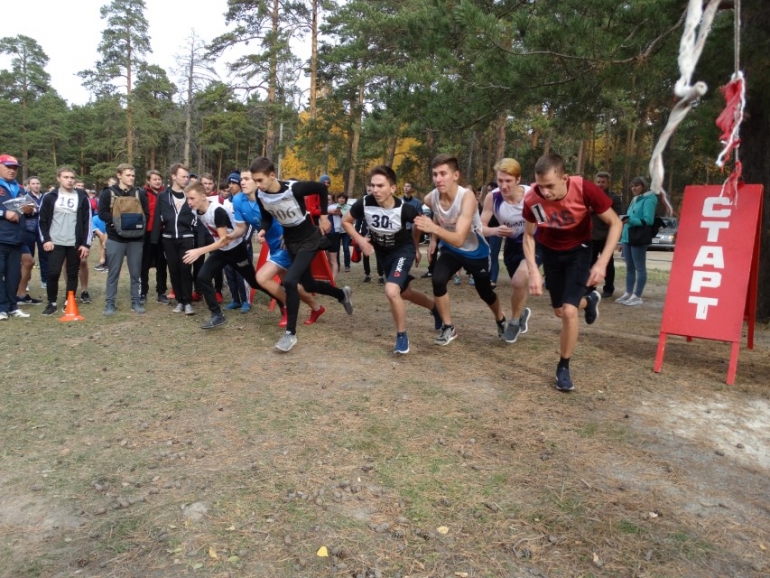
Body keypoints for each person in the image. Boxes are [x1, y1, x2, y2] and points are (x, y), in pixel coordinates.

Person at [522, 154, 622, 392]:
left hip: (580, 250)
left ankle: (563, 367)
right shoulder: (533, 199)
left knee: (568, 311)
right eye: (540, 185)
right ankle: (589, 302)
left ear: (564, 178)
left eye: (550, 186)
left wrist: (601, 263)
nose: (544, 192)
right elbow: (528, 234)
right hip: (550, 252)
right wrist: (534, 270)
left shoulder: (585, 189)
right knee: (559, 310)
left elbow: (616, 223)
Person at [250, 156, 353, 352]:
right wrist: (263, 229)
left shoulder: (293, 188)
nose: (258, 185)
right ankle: (342, 294)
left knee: (289, 281)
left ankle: (290, 334)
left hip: (309, 239)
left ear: (272, 175)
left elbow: (322, 189)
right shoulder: (261, 195)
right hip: (290, 241)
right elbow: (266, 217)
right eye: (255, 181)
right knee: (309, 284)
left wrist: (323, 217)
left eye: (260, 180)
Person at [343, 165, 440, 354]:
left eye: (380, 186)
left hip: (402, 252)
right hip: (383, 254)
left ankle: (402, 336)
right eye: (372, 186)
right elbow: (346, 221)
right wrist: (361, 239)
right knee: (403, 293)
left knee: (391, 290)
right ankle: (434, 308)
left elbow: (420, 224)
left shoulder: (405, 209)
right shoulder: (364, 203)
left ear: (393, 188)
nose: (375, 190)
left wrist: (415, 245)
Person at [414, 154, 506, 345]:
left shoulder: (467, 197)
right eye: (435, 174)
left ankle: (501, 319)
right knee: (438, 280)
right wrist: (433, 240)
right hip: (451, 249)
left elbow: (459, 238)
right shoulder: (431, 198)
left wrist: (433, 229)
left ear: (456, 175)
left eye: (443, 174)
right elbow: (438, 217)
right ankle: (448, 327)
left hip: (475, 251)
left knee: (485, 293)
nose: (438, 179)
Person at [225, 169, 324, 326]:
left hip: (287, 244)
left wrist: (288, 234)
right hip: (273, 246)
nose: (241, 182)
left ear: (258, 181)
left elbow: (291, 215)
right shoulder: (237, 201)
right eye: (241, 179)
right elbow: (241, 228)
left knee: (262, 278)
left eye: (246, 179)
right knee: (292, 285)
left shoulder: (270, 197)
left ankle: (287, 307)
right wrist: (229, 236)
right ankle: (316, 307)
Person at [182, 182, 263, 329]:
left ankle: (283, 302)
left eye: (192, 198)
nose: (189, 202)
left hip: (236, 248)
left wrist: (199, 250)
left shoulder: (217, 211)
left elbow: (223, 241)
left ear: (202, 196)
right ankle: (217, 315)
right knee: (202, 277)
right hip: (222, 251)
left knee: (255, 282)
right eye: (187, 199)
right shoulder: (196, 210)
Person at [480, 159, 540, 344]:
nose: (504, 186)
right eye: (500, 181)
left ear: (518, 179)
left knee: (517, 281)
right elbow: (480, 226)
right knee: (518, 286)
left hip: (535, 242)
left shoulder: (532, 195)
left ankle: (513, 323)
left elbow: (544, 222)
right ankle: (521, 313)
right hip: (512, 245)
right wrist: (494, 231)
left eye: (508, 181)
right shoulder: (493, 197)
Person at [38, 167, 92, 316]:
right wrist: (46, 240)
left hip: (74, 242)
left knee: (72, 273)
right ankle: (52, 302)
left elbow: (87, 222)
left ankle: (70, 300)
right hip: (55, 241)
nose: (69, 180)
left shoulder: (82, 197)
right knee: (53, 272)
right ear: (58, 178)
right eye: (66, 177)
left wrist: (86, 244)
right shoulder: (50, 197)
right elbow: (41, 221)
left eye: (72, 177)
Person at [98, 163, 149, 315]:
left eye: (133, 175)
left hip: (136, 239)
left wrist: (139, 228)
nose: (131, 178)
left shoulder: (140, 193)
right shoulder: (108, 193)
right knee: (113, 272)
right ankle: (109, 303)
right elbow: (102, 213)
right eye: (128, 175)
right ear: (119, 175)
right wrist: (116, 222)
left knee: (135, 273)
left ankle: (136, 301)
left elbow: (146, 214)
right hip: (115, 238)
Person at [152, 164, 197, 315]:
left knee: (185, 269)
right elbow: (157, 218)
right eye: (183, 176)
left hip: (186, 237)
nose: (186, 179)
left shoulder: (191, 194)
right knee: (174, 270)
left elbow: (198, 215)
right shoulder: (163, 196)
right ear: (173, 176)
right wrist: (155, 241)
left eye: (187, 176)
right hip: (168, 239)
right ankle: (179, 300)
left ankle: (188, 301)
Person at [617, 177, 659, 306]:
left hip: (639, 237)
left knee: (639, 268)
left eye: (636, 186)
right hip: (628, 237)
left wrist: (630, 220)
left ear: (643, 186)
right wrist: (622, 240)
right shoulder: (634, 200)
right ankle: (629, 292)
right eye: (632, 186)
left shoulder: (649, 200)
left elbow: (648, 220)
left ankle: (637, 295)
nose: (633, 188)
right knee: (629, 268)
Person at [0, 154, 33, 320]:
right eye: (8, 167)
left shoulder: (19, 188)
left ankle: (12, 306)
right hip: (1, 237)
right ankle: (1, 308)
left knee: (14, 274)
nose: (12, 171)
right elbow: (6, 212)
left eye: (14, 168)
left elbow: (26, 210)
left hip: (17, 238)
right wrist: (4, 213)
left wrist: (29, 210)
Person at [591, 172, 623, 298]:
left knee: (608, 264)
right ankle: (590, 288)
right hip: (591, 235)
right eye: (598, 182)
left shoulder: (614, 198)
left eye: (603, 182)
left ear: (608, 183)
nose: (600, 184)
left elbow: (617, 216)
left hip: (607, 236)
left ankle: (608, 288)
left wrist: (598, 209)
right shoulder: (589, 195)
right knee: (590, 263)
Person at [222, 172, 251, 312]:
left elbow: (250, 222)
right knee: (229, 272)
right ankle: (235, 299)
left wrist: (246, 239)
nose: (231, 185)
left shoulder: (246, 200)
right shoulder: (226, 202)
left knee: (242, 273)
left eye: (234, 182)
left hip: (242, 242)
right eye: (230, 183)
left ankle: (246, 301)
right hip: (229, 243)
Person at [142, 169, 170, 305]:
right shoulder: (142, 194)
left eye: (159, 179)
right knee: (144, 264)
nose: (158, 182)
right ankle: (143, 292)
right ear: (148, 181)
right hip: (147, 233)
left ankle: (161, 292)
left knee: (161, 264)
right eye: (155, 179)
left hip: (162, 233)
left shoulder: (166, 194)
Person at [24, 176, 48, 289]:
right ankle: (26, 281)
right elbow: (24, 211)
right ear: (29, 185)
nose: (36, 185)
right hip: (29, 230)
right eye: (33, 183)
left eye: (37, 183)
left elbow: (47, 211)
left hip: (43, 230)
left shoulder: (46, 197)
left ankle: (45, 280)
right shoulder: (25, 197)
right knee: (29, 257)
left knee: (44, 256)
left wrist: (35, 210)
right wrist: (34, 210)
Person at [336, 193, 352, 272]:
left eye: (343, 198)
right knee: (336, 249)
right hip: (337, 230)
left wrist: (342, 215)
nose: (341, 199)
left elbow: (352, 219)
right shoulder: (335, 207)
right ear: (337, 199)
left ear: (345, 199)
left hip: (346, 230)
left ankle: (347, 265)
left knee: (346, 248)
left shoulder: (349, 208)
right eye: (340, 198)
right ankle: (337, 265)